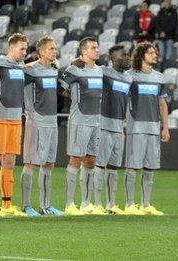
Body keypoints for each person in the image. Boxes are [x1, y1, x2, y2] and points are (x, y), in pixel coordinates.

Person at [74, 46, 133, 215]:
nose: (126, 58)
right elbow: (83, 66)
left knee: (113, 167)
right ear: (113, 58)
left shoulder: (129, 78)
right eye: (123, 55)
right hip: (104, 123)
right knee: (99, 165)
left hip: (118, 126)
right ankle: (96, 202)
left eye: (127, 55)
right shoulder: (103, 72)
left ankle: (111, 204)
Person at [0, 33, 28, 217]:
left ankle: (7, 204)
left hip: (16, 119)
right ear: (11, 48)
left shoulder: (21, 66)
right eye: (22, 49)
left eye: (26, 49)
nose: (25, 52)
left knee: (10, 161)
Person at [124, 42, 170, 215]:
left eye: (155, 52)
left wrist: (165, 127)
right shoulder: (129, 76)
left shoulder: (159, 77)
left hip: (153, 127)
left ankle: (145, 204)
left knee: (150, 166)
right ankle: (130, 205)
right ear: (141, 55)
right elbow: (122, 102)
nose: (154, 55)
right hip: (135, 126)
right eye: (150, 53)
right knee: (132, 166)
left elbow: (162, 103)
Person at [21, 36, 64, 216]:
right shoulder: (30, 70)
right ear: (41, 51)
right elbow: (12, 86)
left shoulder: (54, 69)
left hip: (52, 121)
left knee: (48, 163)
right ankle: (26, 206)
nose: (55, 51)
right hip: (35, 121)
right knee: (31, 163)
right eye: (51, 49)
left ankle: (45, 205)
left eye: (55, 48)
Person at [60, 37, 103, 215]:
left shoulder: (100, 71)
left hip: (96, 121)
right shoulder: (74, 69)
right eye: (93, 48)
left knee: (91, 160)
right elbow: (59, 86)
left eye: (97, 47)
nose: (97, 50)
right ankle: (70, 204)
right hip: (80, 121)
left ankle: (86, 203)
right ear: (84, 51)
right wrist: (74, 97)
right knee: (76, 159)